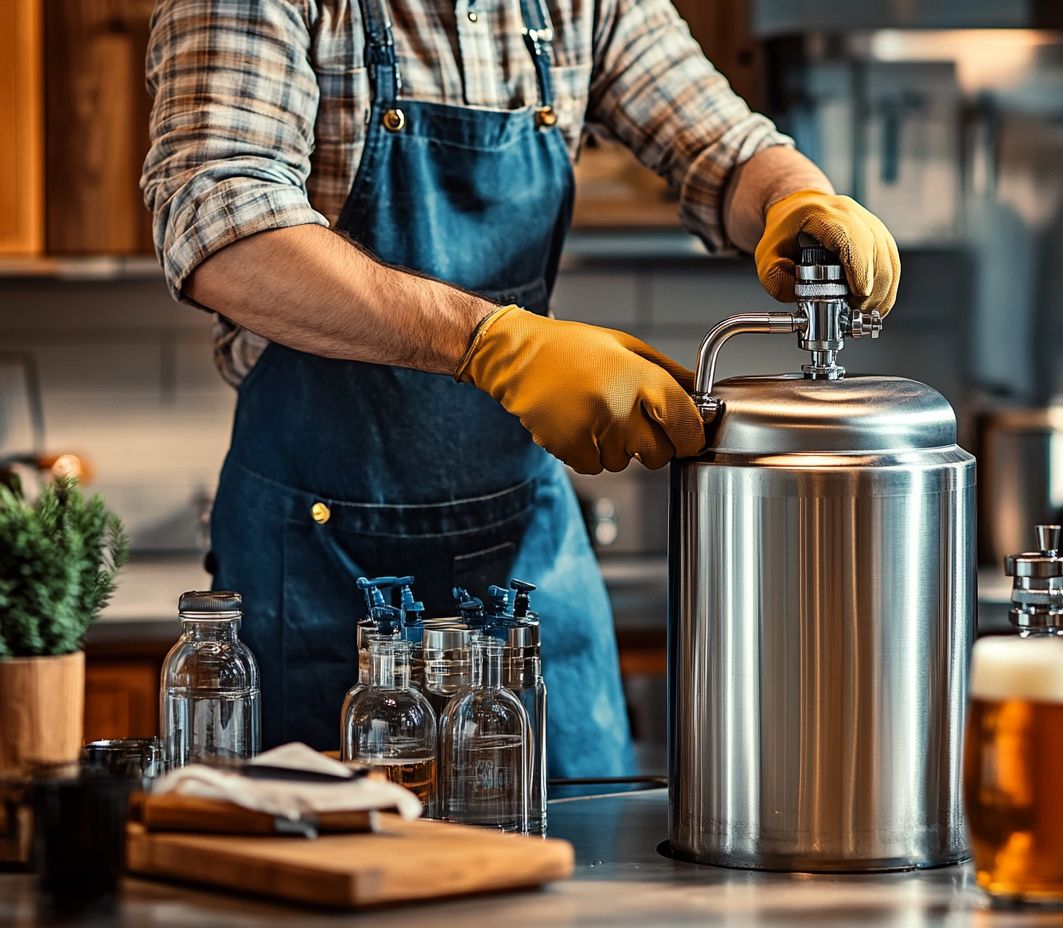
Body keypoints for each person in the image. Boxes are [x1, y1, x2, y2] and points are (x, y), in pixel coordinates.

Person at [141, 0, 900, 777]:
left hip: (527, 563)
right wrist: (490, 343)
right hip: (316, 570)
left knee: (590, 867)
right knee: (329, 863)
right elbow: (220, 222)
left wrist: (797, 199)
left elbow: (726, 148)